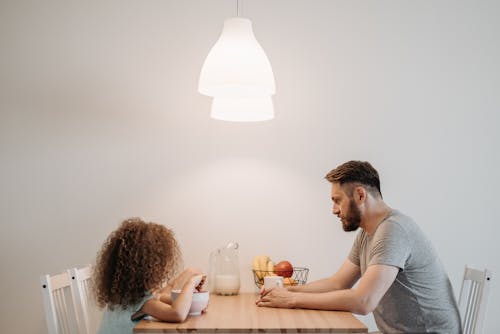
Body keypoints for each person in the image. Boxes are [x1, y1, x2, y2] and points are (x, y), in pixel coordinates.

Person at [257, 160, 462, 333]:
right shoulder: (368, 232)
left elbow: (363, 301)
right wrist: (289, 292)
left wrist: (292, 300)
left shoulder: (393, 230)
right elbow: (338, 283)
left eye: (337, 201)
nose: (334, 210)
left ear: (360, 196)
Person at [93, 218, 206, 334]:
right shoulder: (144, 303)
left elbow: (164, 298)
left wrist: (191, 299)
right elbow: (177, 313)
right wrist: (190, 283)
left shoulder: (124, 297)